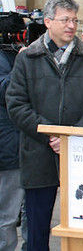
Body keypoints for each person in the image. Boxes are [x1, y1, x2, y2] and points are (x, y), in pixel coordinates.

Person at [6, 0, 83, 251]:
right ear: (47, 22)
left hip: (80, 156)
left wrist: (71, 135)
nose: (71, 26)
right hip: (37, 154)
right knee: (37, 229)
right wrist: (50, 135)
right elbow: (16, 105)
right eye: (65, 19)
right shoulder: (27, 59)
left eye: (74, 20)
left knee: (82, 227)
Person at [0, 48, 26, 251]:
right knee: (6, 216)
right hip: (7, 149)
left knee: (8, 215)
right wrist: (19, 63)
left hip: (11, 149)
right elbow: (6, 89)